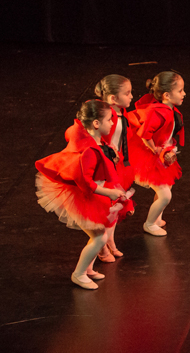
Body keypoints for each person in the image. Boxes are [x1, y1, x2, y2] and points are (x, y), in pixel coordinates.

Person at [36, 100, 134, 289]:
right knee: (100, 237)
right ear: (96, 124)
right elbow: (86, 183)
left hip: (94, 193)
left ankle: (87, 269)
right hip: (85, 195)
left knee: (100, 235)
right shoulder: (89, 150)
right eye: (109, 120)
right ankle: (79, 273)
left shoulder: (96, 141)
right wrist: (109, 192)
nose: (112, 123)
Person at [128, 71, 186, 232]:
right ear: (167, 95)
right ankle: (149, 224)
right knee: (165, 195)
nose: (184, 94)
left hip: (162, 151)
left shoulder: (168, 109)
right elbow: (145, 134)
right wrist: (155, 149)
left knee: (167, 186)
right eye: (180, 91)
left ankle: (157, 218)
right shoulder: (157, 112)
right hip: (149, 155)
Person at [91, 74, 134, 262]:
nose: (131, 96)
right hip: (105, 167)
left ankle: (110, 241)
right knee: (105, 208)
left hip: (117, 165)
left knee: (115, 207)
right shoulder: (105, 116)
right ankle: (101, 246)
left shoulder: (121, 114)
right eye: (128, 93)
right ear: (113, 99)